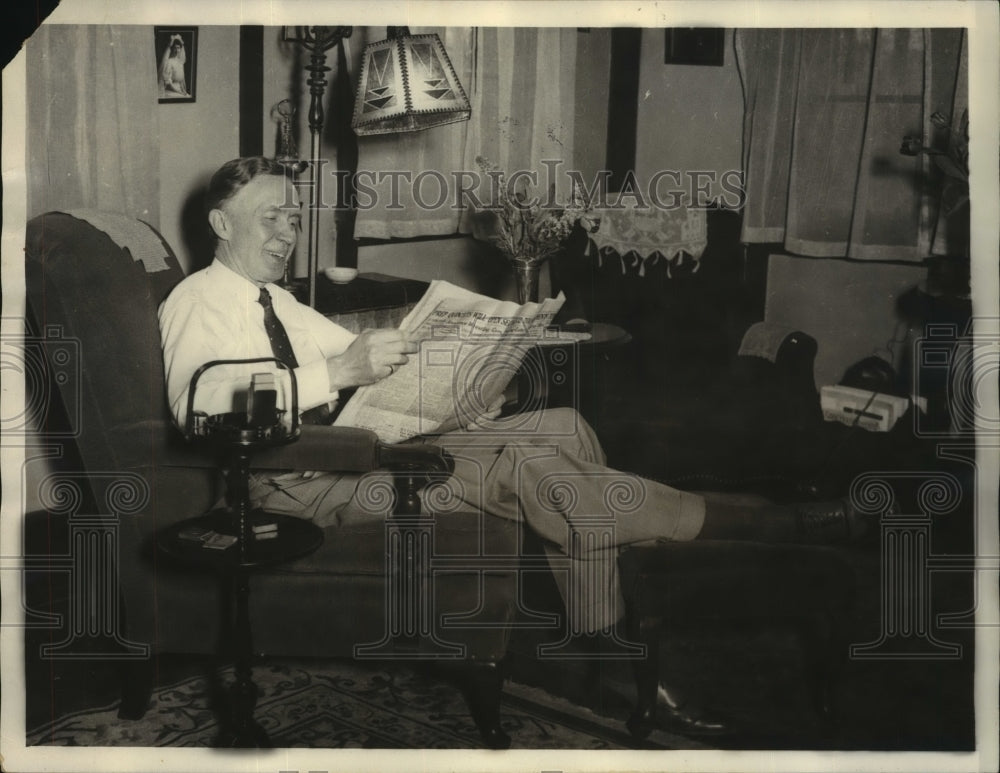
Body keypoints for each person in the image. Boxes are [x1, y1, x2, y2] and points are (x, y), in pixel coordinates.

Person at [159, 156, 870, 735]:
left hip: (357, 445)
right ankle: (768, 526)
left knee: (558, 425)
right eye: (268, 218)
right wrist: (337, 372)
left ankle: (601, 628)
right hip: (301, 487)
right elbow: (201, 405)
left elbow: (376, 369)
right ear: (221, 222)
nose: (285, 233)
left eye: (291, 216)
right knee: (531, 467)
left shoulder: (277, 301)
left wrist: (468, 380)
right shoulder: (196, 303)